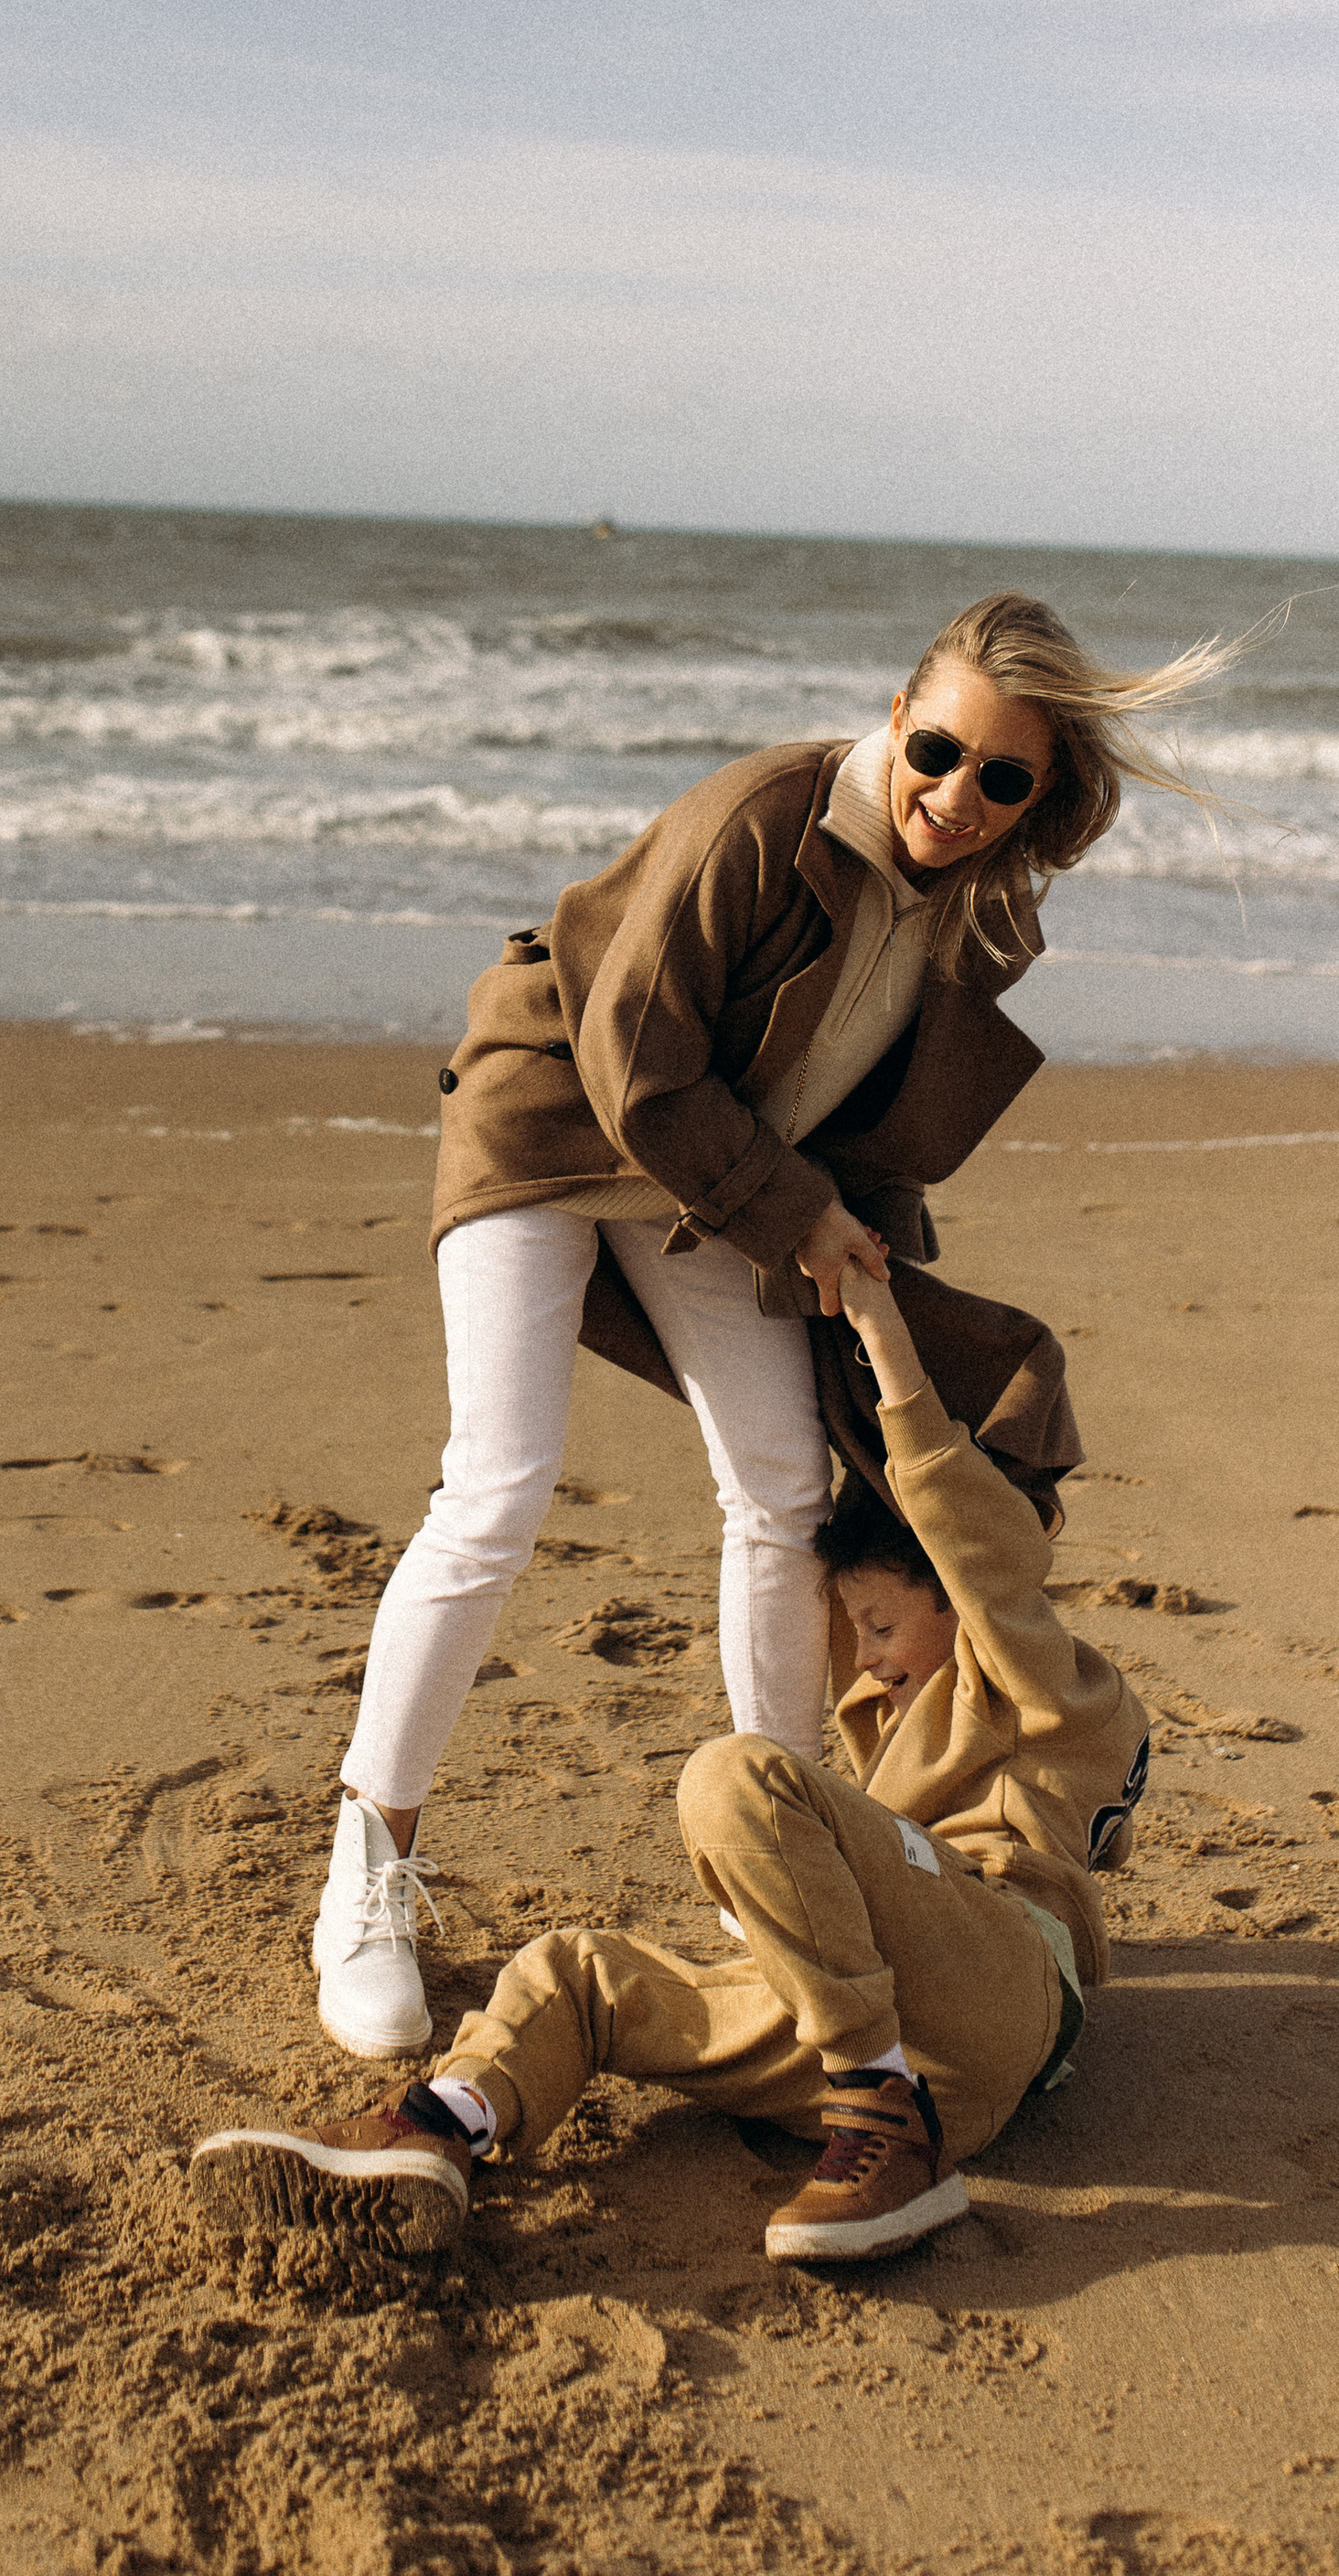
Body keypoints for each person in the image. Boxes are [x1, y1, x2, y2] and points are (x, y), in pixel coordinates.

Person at [309, 589, 1236, 2055]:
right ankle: (370, 1862)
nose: (956, 798)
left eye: (1005, 779)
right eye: (939, 753)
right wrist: (797, 1218)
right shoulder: (760, 819)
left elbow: (869, 1135)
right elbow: (639, 1063)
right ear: (896, 718)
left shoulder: (982, 907)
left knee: (787, 1494)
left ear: (1043, 793)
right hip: (559, 1126)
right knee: (499, 1484)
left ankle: (790, 1868)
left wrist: (870, 1287)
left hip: (726, 1174)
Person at [195, 1249, 1152, 2264]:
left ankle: (886, 2130)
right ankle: (443, 2128)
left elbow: (966, 1538)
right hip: (858, 2026)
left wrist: (879, 1335)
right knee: (576, 1972)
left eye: (878, 1628)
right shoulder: (920, 1715)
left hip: (990, 1994)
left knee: (734, 1774)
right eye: (852, 1635)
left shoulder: (1034, 1669)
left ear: (963, 1603)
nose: (863, 1665)